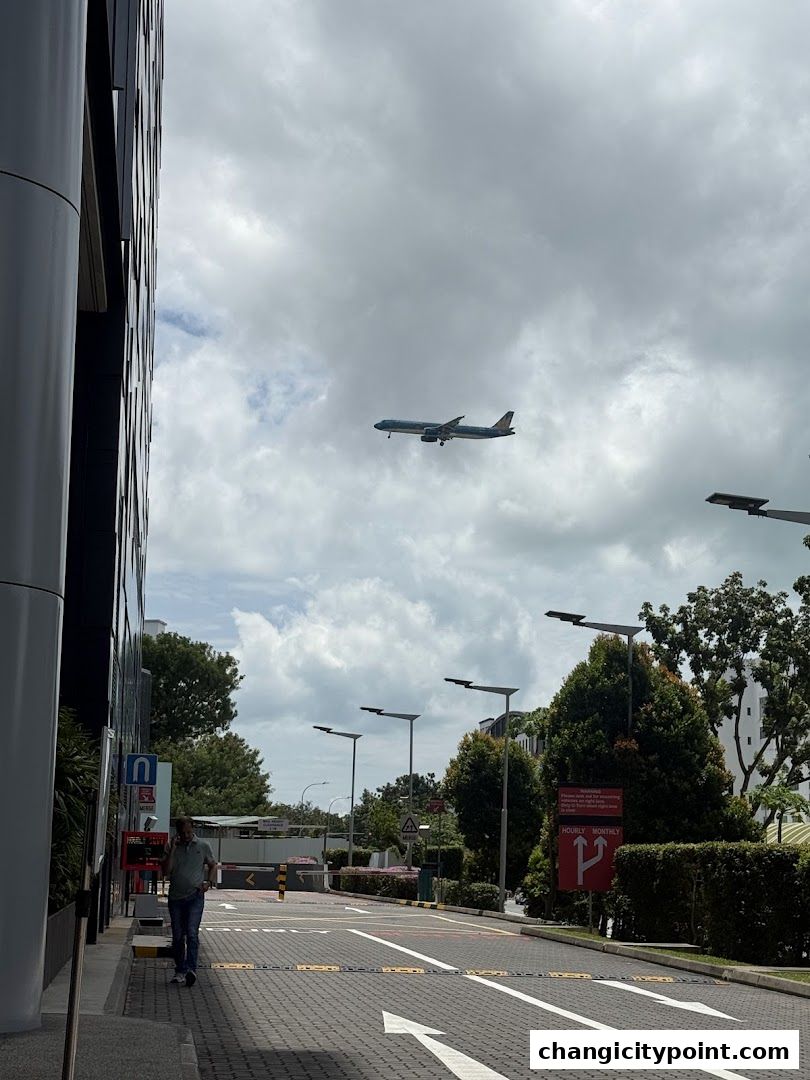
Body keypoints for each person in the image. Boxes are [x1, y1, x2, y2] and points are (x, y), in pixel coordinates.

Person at [161, 816, 217, 986]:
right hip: (176, 897)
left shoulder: (203, 846)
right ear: (177, 832)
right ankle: (180, 970)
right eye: (182, 832)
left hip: (195, 896)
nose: (186, 836)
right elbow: (166, 871)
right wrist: (172, 850)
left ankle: (191, 969)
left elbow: (213, 864)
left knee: (192, 933)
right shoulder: (172, 847)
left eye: (188, 832)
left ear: (193, 830)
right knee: (178, 936)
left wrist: (208, 882)